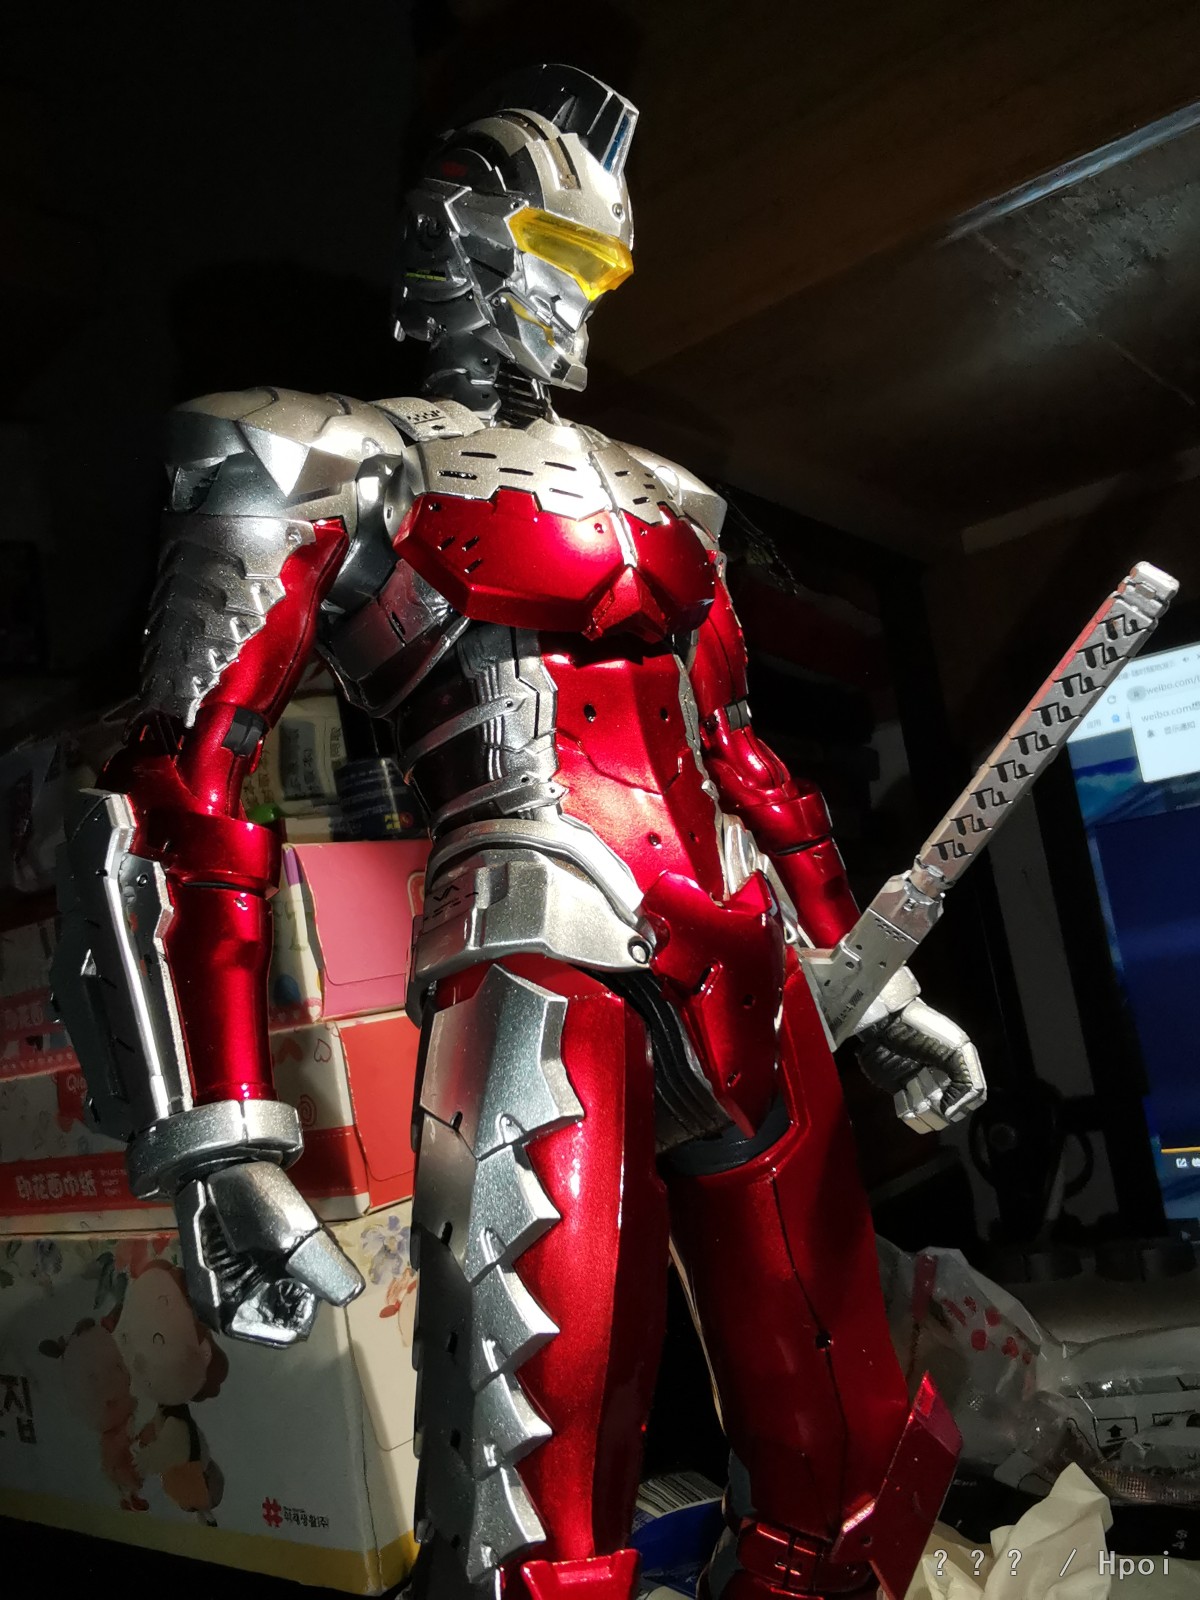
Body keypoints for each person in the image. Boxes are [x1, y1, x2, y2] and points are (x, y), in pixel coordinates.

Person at [53, 64, 984, 1600]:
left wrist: (874, 984)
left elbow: (739, 756)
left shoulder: (668, 495)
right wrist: (219, 1139)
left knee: (851, 1468)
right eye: (557, 252)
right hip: (536, 949)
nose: (579, 297)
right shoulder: (317, 453)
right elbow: (177, 796)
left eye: (601, 266)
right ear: (458, 237)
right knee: (534, 1502)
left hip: (746, 959)